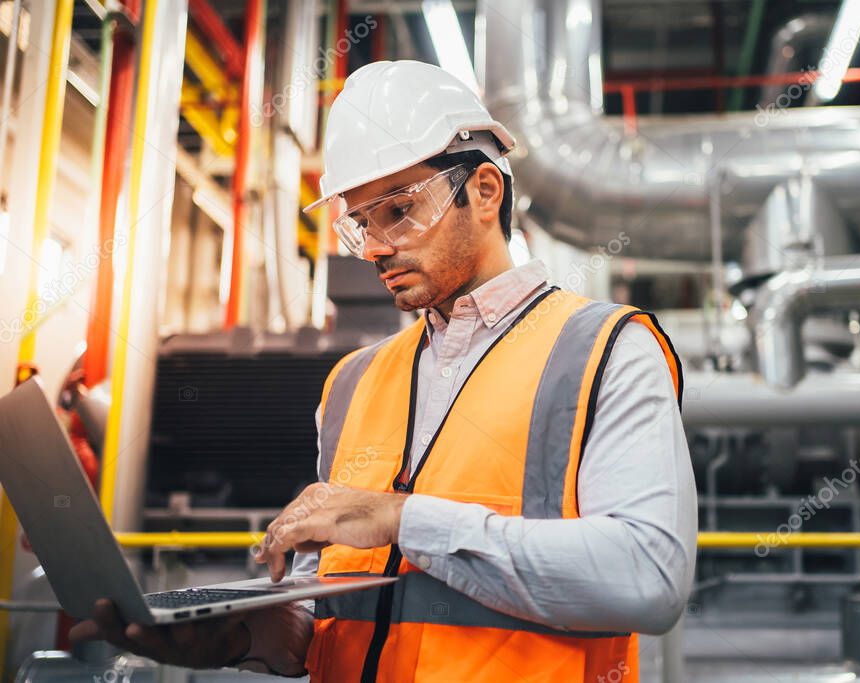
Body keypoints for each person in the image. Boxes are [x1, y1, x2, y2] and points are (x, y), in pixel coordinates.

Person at [70, 60, 697, 683]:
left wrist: (402, 518)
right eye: (360, 223)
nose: (374, 247)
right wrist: (236, 638)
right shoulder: (352, 383)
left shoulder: (606, 350)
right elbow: (331, 613)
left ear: (485, 191)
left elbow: (650, 578)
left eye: (398, 210)